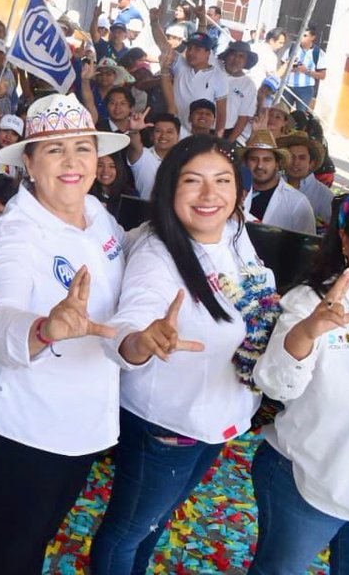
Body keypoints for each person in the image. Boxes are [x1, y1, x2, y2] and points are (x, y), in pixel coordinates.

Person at [0, 92, 134, 575]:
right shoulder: (18, 231)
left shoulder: (102, 217)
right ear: (29, 164)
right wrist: (44, 328)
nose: (72, 161)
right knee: (4, 558)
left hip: (82, 423)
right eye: (55, 150)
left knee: (20, 545)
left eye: (83, 147)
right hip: (22, 428)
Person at [91, 135, 271, 574]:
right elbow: (132, 322)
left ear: (238, 190)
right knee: (127, 531)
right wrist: (141, 341)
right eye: (193, 181)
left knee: (154, 521)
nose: (210, 195)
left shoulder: (233, 231)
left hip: (217, 418)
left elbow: (250, 293)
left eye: (222, 181)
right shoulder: (158, 254)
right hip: (168, 424)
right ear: (170, 188)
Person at [249, 188, 349, 574]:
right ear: (345, 240)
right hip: (304, 481)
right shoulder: (311, 302)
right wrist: (309, 331)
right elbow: (277, 385)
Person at [241, 130, 315, 235]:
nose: (260, 165)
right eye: (254, 159)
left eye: (267, 160)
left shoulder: (297, 203)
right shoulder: (233, 191)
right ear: (245, 162)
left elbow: (306, 246)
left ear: (277, 164)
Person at [280, 131, 335, 226]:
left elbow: (337, 225)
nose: (296, 162)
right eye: (292, 157)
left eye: (302, 158)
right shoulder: (275, 182)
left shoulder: (323, 194)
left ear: (311, 163)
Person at [218, 40, 258, 143]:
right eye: (233, 54)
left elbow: (243, 118)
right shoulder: (214, 68)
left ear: (246, 61)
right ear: (227, 56)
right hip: (199, 126)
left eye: (241, 56)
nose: (236, 59)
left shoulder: (249, 86)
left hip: (226, 133)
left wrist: (228, 143)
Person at [283, 25, 326, 111]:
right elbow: (282, 65)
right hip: (288, 86)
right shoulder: (292, 48)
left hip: (305, 89)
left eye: (305, 35)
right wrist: (290, 68)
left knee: (300, 115)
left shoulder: (318, 53)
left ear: (313, 37)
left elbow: (322, 75)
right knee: (282, 111)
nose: (301, 38)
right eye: (300, 35)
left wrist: (306, 70)